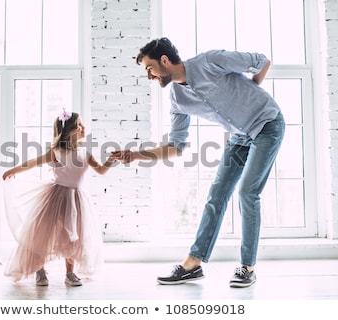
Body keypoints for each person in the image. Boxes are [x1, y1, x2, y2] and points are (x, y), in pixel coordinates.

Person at [115, 38, 285, 288]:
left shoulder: (209, 62)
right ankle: (193, 264)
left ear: (164, 60)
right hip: (240, 136)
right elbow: (175, 147)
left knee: (247, 192)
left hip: (268, 124)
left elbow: (262, 61)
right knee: (217, 195)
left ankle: (247, 267)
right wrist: (136, 155)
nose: (149, 76)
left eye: (149, 69)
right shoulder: (177, 99)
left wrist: (253, 92)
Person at [2, 110, 117, 287]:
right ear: (71, 130)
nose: (84, 127)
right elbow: (33, 162)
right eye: (80, 125)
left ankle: (70, 273)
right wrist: (13, 170)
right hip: (56, 197)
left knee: (72, 235)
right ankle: (40, 270)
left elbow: (101, 170)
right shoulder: (57, 151)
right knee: (44, 233)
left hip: (77, 199)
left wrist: (111, 160)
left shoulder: (85, 153)